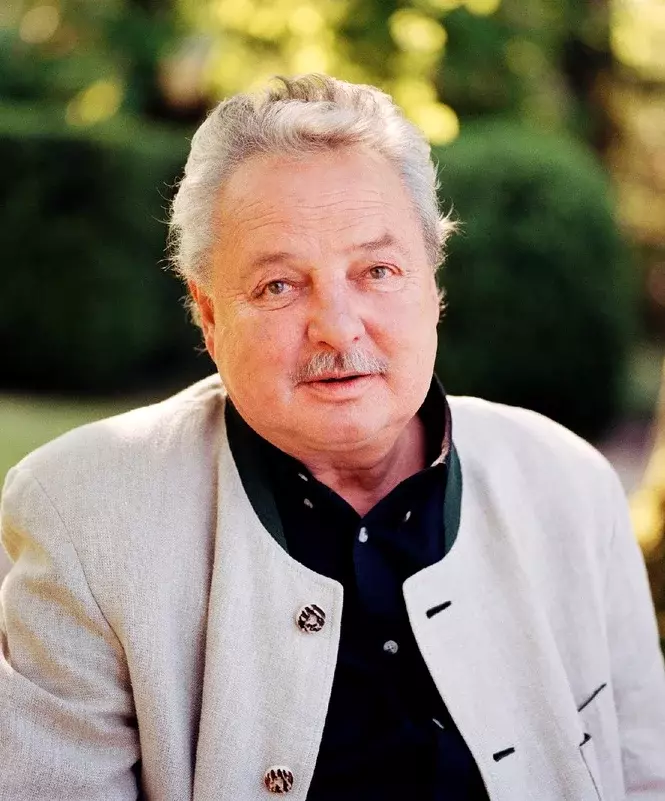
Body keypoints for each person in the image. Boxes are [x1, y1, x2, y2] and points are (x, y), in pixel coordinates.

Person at [1, 74, 663, 801]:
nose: (339, 328)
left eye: (377, 271)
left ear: (432, 286)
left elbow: (644, 772)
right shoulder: (81, 515)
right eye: (279, 286)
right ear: (209, 315)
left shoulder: (569, 483)